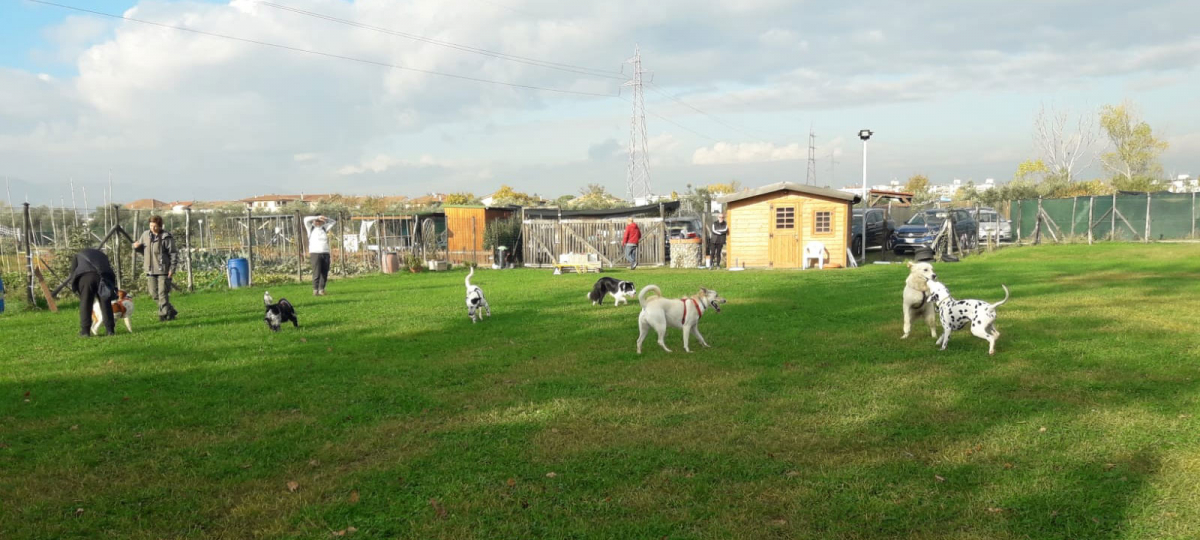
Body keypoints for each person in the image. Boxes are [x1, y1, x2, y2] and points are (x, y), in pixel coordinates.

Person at [132, 215, 178, 321]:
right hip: (150, 269)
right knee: (153, 293)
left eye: (155, 226)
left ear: (160, 226)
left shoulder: (166, 237)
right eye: (151, 226)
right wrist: (136, 247)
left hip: (163, 269)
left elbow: (173, 254)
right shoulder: (145, 235)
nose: (153, 228)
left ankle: (163, 315)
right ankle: (170, 310)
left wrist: (172, 269)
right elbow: (142, 251)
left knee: (162, 293)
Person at [67, 247, 116, 337]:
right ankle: (110, 330)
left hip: (86, 278)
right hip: (103, 277)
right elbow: (109, 269)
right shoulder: (103, 255)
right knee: (106, 303)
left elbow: (73, 272)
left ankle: (85, 331)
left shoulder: (78, 255)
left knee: (86, 303)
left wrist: (75, 287)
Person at [304, 214, 337, 296]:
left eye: (319, 221)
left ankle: (321, 290)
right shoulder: (310, 228)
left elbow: (333, 222)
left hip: (325, 252)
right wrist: (317, 217)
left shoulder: (324, 228)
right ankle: (315, 290)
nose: (318, 222)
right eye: (317, 221)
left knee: (324, 272)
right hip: (315, 253)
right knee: (317, 272)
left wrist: (325, 218)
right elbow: (305, 219)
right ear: (314, 221)